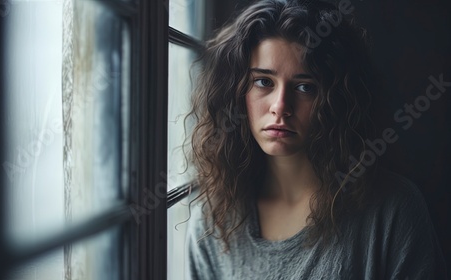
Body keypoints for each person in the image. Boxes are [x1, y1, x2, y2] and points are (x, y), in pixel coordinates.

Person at [185, 0, 447, 279]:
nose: (280, 106)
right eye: (264, 82)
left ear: (334, 100)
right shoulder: (212, 223)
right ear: (236, 93)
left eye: (305, 87)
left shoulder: (393, 211)